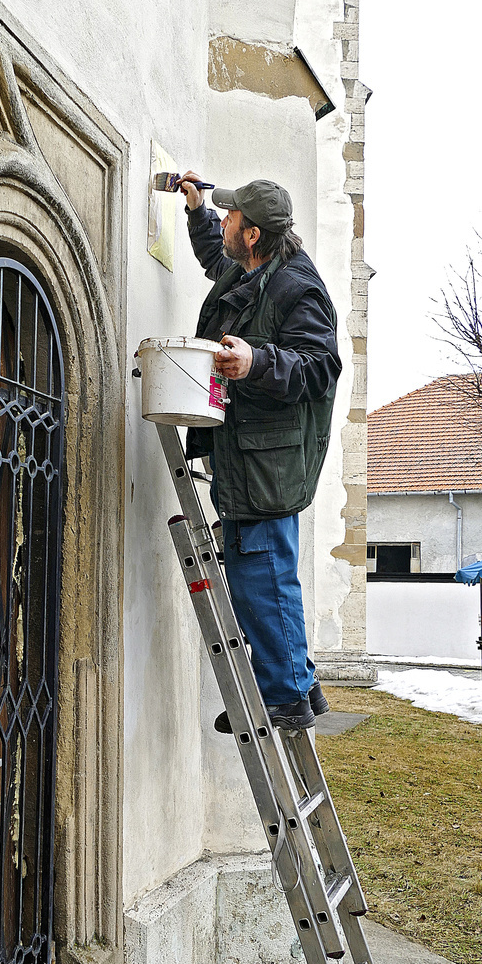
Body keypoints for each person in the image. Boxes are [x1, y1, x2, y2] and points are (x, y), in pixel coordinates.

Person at [179, 171, 341, 732]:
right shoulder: (250, 269)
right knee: (261, 573)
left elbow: (320, 366)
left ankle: (286, 697)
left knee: (262, 576)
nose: (224, 222)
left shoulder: (298, 286)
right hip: (248, 454)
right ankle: (300, 682)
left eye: (229, 217)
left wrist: (256, 362)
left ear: (251, 234)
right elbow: (212, 258)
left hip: (268, 462)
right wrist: (198, 209)